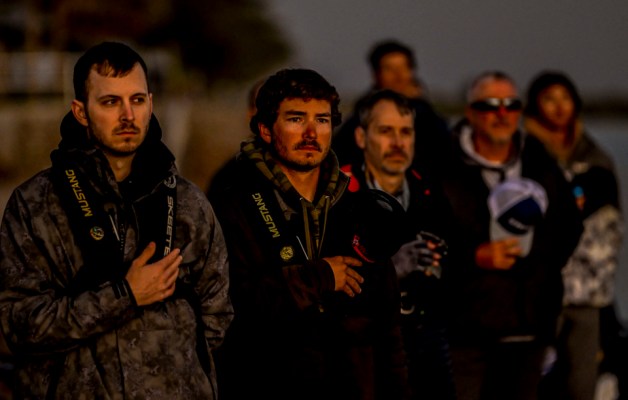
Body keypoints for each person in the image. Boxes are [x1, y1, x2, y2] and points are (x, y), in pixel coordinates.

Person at [0, 42, 233, 399]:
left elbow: (217, 317)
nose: (128, 115)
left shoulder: (188, 203)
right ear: (81, 111)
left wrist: (174, 373)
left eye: (137, 100)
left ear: (150, 104)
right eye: (110, 102)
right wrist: (125, 295)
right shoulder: (35, 204)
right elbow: (19, 325)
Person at [212, 69, 408, 400]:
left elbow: (388, 331)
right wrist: (318, 277)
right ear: (265, 129)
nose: (311, 132)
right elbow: (229, 310)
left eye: (322, 120)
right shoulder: (233, 207)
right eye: (296, 119)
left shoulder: (361, 210)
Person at [440, 71, 583, 399]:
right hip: (464, 334)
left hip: (529, 330)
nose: (502, 114)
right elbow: (424, 236)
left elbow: (569, 227)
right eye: (490, 105)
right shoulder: (443, 164)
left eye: (511, 105)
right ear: (470, 112)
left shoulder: (539, 161)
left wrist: (536, 267)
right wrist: (472, 257)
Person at [340, 89, 456, 399]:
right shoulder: (338, 193)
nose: (397, 143)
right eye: (385, 131)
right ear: (361, 137)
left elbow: (457, 261)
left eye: (405, 132)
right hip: (363, 345)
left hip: (427, 336)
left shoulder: (430, 190)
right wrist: (389, 269)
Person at [524, 71, 624, 400]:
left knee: (582, 382)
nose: (558, 107)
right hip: (538, 291)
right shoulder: (523, 156)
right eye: (549, 99)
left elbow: (609, 224)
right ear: (534, 105)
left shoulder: (595, 157)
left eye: (565, 98)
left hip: (588, 290)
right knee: (530, 378)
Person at [332, 39, 450, 174]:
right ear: (376, 75)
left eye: (404, 68)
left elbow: (444, 147)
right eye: (389, 69)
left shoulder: (426, 114)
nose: (398, 76)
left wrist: (419, 104)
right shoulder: (361, 115)